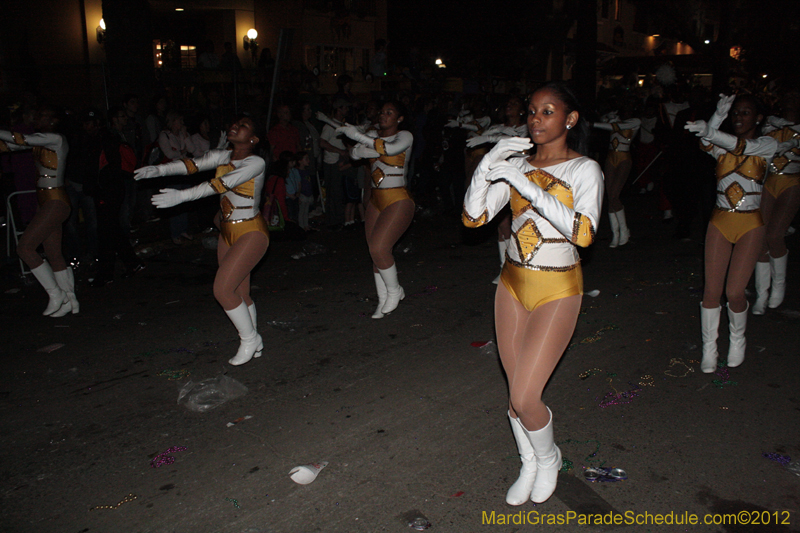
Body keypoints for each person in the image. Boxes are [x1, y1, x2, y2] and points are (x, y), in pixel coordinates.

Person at [462, 82, 603, 505]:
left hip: (558, 287)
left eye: (548, 111)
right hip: (511, 284)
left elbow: (583, 234)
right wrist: (489, 163)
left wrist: (529, 187)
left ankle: (549, 457)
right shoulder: (516, 165)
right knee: (515, 395)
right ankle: (529, 461)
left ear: (569, 119)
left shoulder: (585, 169)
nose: (536, 119)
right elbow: (473, 218)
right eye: (532, 111)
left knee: (526, 395)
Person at [135, 115, 269, 366]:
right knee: (241, 292)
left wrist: (182, 197)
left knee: (222, 290)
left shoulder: (256, 162)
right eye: (234, 122)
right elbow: (192, 165)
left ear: (253, 139)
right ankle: (256, 342)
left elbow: (220, 184)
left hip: (251, 232)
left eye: (243, 126)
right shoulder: (224, 156)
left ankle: (249, 339)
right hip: (227, 231)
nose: (234, 126)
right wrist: (159, 170)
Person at [685, 94, 779, 372]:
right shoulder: (721, 148)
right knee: (712, 291)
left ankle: (737, 340)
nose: (739, 117)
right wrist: (716, 117)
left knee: (735, 291)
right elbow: (706, 144)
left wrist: (713, 130)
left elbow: (738, 146)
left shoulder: (766, 145)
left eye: (746, 113)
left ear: (758, 118)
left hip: (751, 224)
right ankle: (709, 349)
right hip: (720, 221)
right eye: (735, 112)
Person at [336, 101, 414, 318]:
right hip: (376, 200)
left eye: (390, 112)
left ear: (399, 119)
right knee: (375, 252)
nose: (383, 115)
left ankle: (395, 290)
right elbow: (354, 154)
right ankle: (382, 301)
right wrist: (360, 146)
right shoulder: (373, 136)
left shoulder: (405, 136)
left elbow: (388, 149)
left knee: (380, 248)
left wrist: (360, 140)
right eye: (382, 111)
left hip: (398, 198)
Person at [0, 106, 80, 316]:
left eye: (43, 114)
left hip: (56, 201)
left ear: (54, 120)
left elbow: (21, 140)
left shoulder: (56, 139)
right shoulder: (41, 140)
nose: (38, 116)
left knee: (25, 248)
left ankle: (56, 294)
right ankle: (70, 300)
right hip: (46, 201)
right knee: (54, 253)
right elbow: (11, 145)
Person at [465, 95, 529, 283]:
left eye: (514, 103)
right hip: (500, 177)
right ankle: (505, 268)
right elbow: (482, 132)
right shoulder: (499, 127)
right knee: (500, 223)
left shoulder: (528, 128)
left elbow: (521, 144)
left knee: (513, 223)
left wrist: (491, 137)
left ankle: (514, 268)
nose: (509, 105)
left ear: (522, 110)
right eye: (508, 103)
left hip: (519, 177)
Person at [752, 93, 800, 314]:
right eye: (787, 99)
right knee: (761, 238)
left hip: (792, 182)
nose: (788, 103)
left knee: (774, 235)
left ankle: (779, 286)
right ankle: (762, 294)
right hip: (768, 181)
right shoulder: (771, 123)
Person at [91, 106, 144, 286]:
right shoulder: (108, 136)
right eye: (121, 115)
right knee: (110, 227)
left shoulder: (120, 135)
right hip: (110, 186)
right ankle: (127, 264)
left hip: (115, 185)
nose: (125, 119)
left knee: (109, 227)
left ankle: (111, 270)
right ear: (113, 119)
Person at [591, 100, 640, 247]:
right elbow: (605, 121)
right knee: (610, 195)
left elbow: (615, 127)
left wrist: (592, 124)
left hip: (624, 158)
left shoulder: (635, 121)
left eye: (629, 108)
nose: (626, 111)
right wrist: (607, 116)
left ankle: (624, 231)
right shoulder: (614, 119)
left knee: (614, 196)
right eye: (624, 108)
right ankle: (615, 233)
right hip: (611, 157)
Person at [159, 111, 197, 244]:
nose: (182, 124)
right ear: (173, 121)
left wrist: (186, 135)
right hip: (172, 173)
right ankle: (175, 232)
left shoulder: (181, 134)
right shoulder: (164, 135)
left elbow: (192, 149)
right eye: (180, 121)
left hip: (184, 171)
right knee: (174, 201)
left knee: (184, 200)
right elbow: (169, 153)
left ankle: (183, 229)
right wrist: (182, 152)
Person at [294, 151, 315, 231]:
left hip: (308, 194)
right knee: (301, 211)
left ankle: (306, 225)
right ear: (299, 161)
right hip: (302, 194)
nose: (308, 161)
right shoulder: (297, 172)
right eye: (306, 159)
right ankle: (301, 226)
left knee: (306, 211)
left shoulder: (306, 171)